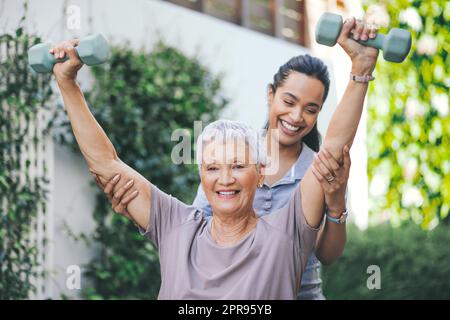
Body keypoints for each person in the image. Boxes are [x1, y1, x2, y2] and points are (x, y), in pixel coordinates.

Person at [50, 16, 379, 299]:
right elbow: (107, 166)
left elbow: (334, 149)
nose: (224, 177)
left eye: (237, 165)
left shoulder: (285, 236)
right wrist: (67, 83)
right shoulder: (177, 227)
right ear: (200, 176)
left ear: (261, 173)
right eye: (212, 167)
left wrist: (361, 69)